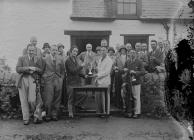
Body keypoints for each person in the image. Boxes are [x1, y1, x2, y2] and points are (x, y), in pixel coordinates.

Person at [16, 44, 43, 125]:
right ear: (27, 50)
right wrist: (28, 68)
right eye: (29, 50)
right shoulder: (21, 58)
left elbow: (41, 70)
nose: (31, 52)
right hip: (23, 79)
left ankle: (36, 116)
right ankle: (26, 118)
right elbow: (18, 69)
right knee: (23, 100)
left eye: (32, 50)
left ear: (35, 51)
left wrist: (35, 69)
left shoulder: (37, 59)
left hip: (33, 80)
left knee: (32, 100)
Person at [42, 45, 65, 121]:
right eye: (53, 50)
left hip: (58, 80)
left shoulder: (60, 59)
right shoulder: (45, 59)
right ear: (50, 50)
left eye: (55, 50)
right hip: (49, 80)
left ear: (57, 51)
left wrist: (61, 78)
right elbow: (42, 70)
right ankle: (48, 115)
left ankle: (54, 115)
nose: (54, 51)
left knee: (57, 98)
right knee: (49, 98)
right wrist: (46, 78)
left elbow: (62, 70)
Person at [65, 46, 88, 118]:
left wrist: (84, 76)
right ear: (71, 51)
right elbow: (73, 71)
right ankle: (70, 112)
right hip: (71, 83)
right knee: (71, 98)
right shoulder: (68, 60)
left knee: (84, 94)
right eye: (74, 51)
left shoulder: (75, 59)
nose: (75, 53)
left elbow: (77, 72)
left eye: (76, 51)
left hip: (77, 82)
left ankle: (75, 107)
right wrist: (81, 66)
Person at [123, 50, 145, 118]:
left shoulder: (139, 62)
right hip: (128, 82)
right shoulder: (127, 61)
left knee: (136, 98)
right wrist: (124, 70)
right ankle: (129, 112)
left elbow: (143, 72)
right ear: (129, 54)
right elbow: (124, 70)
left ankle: (137, 113)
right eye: (130, 53)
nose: (132, 54)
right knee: (129, 97)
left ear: (135, 54)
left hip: (136, 82)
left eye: (133, 53)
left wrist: (135, 72)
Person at [93, 45, 113, 117]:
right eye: (101, 50)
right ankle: (99, 112)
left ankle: (105, 112)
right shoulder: (100, 58)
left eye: (104, 50)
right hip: (99, 81)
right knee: (98, 97)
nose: (102, 51)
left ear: (107, 51)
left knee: (104, 97)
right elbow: (99, 70)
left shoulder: (109, 60)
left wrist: (97, 75)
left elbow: (107, 72)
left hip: (105, 81)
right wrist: (96, 76)